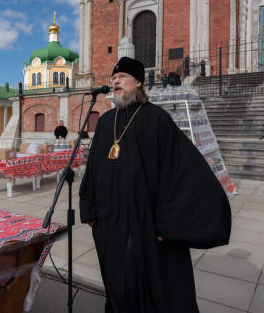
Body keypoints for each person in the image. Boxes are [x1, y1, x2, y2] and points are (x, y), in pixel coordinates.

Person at [79, 56, 231, 313]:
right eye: (113, 78)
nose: (115, 81)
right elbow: (92, 168)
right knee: (117, 280)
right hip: (110, 221)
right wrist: (89, 207)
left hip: (144, 221)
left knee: (149, 283)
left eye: (122, 77)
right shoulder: (106, 122)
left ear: (138, 82)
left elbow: (182, 171)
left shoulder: (156, 119)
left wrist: (170, 223)